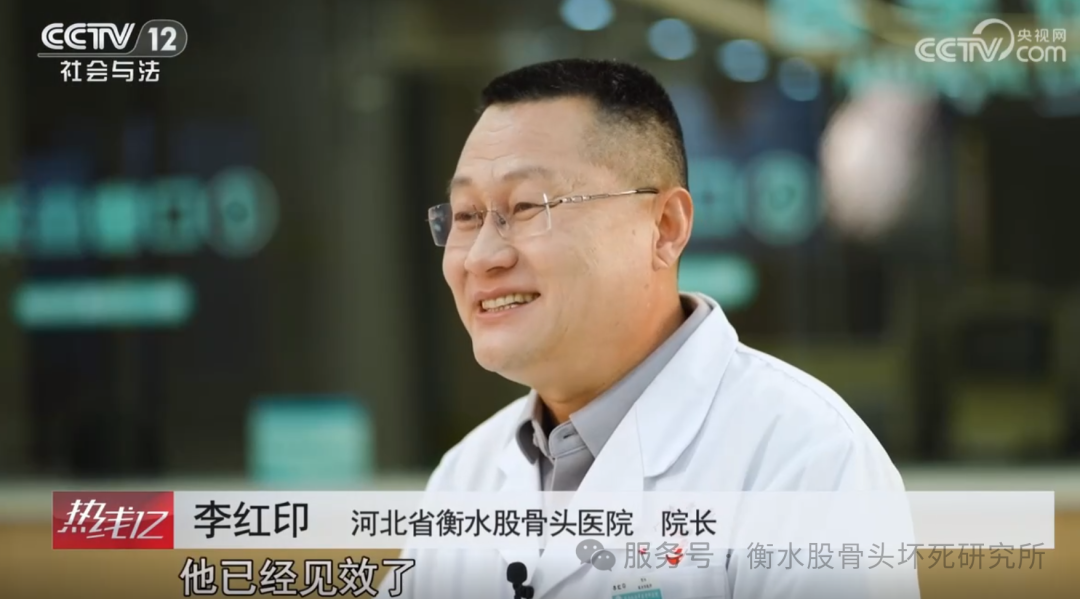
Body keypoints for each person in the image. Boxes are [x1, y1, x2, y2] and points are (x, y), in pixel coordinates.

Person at [386, 58, 919, 599]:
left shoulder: (804, 460)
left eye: (526, 206)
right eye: (466, 215)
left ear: (665, 228)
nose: (481, 256)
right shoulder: (465, 477)